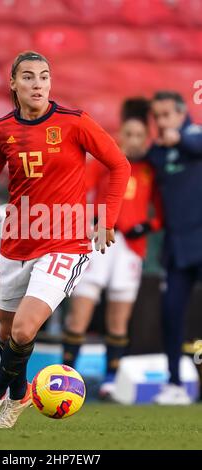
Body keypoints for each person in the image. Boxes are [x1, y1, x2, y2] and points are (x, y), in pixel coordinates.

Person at [0, 51, 130, 429]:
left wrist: (107, 216)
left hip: (65, 243)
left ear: (50, 83)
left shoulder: (75, 123)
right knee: (8, 334)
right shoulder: (0, 130)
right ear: (13, 84)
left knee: (24, 330)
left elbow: (119, 164)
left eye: (43, 77)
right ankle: (21, 394)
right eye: (28, 77)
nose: (37, 84)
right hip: (17, 241)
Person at [62, 98, 163, 398]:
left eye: (138, 136)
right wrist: (94, 216)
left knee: (118, 318)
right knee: (80, 311)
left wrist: (148, 226)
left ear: (146, 140)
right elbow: (78, 189)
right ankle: (66, 377)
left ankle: (110, 381)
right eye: (127, 134)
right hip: (98, 242)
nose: (132, 140)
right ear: (119, 135)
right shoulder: (107, 163)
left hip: (131, 249)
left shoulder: (150, 171)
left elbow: (161, 211)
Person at [148, 91, 202, 405]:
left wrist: (176, 139)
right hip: (177, 246)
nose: (162, 122)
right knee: (171, 314)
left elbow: (195, 145)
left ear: (182, 114)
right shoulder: (159, 152)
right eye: (158, 117)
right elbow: (141, 157)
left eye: (167, 115)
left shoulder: (194, 136)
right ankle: (174, 383)